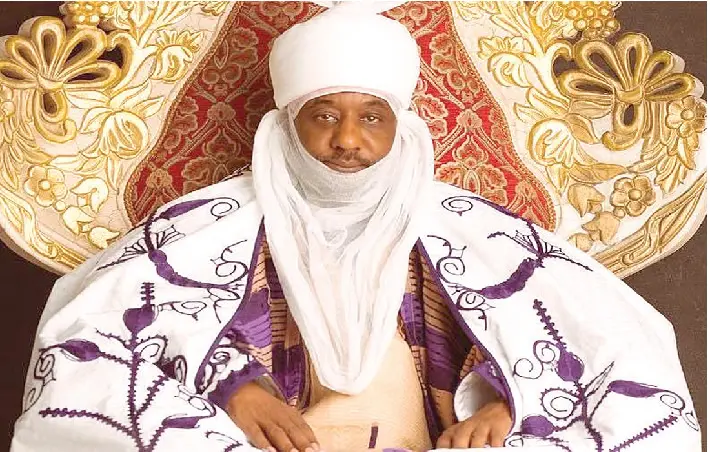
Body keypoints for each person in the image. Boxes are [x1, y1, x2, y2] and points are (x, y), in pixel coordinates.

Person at [11, 2, 701, 452]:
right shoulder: (205, 227)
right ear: (287, 123)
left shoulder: (472, 228)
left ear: (401, 126)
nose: (347, 140)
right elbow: (87, 345)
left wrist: (510, 402)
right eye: (323, 116)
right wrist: (230, 386)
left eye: (371, 117)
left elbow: (617, 344)